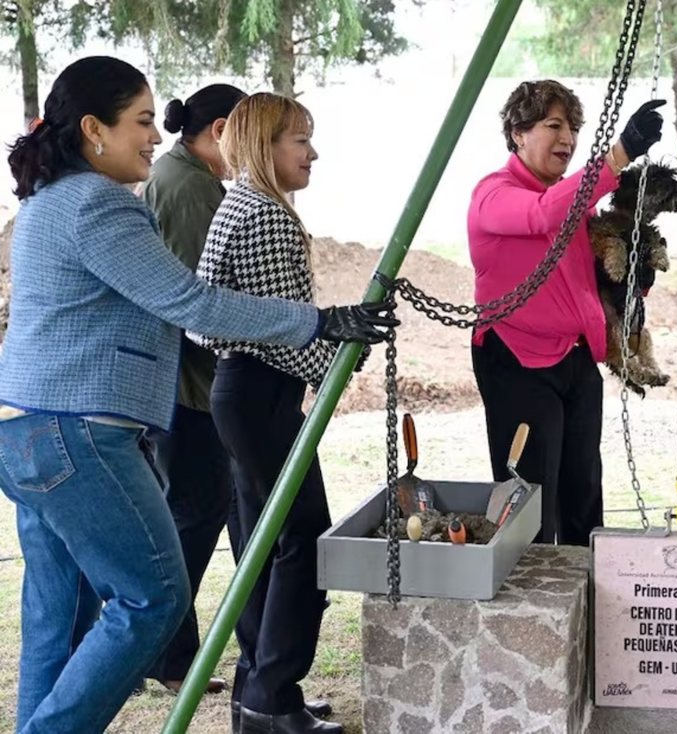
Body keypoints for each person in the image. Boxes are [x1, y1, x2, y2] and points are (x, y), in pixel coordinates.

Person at [0, 56, 396, 734]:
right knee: (152, 602)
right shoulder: (99, 204)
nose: (158, 136)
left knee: (58, 611)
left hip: (25, 429)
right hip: (81, 434)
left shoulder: (46, 201)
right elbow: (190, 301)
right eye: (144, 122)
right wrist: (318, 321)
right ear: (93, 129)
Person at [191, 92, 360, 734]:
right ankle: (272, 695)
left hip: (240, 390)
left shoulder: (240, 204)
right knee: (300, 541)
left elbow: (228, 326)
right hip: (261, 390)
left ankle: (256, 687)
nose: (312, 153)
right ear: (265, 147)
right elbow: (279, 332)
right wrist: (340, 355)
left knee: (262, 544)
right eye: (300, 141)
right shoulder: (267, 216)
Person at [467, 80, 665, 545]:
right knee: (531, 504)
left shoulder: (571, 198)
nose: (568, 139)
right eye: (553, 125)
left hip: (575, 361)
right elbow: (540, 215)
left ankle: (588, 602)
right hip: (517, 360)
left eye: (573, 127)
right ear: (517, 133)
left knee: (583, 495)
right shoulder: (493, 194)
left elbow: (581, 281)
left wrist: (632, 284)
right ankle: (534, 611)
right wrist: (618, 155)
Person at [137, 82, 246, 697]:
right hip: (189, 389)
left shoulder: (192, 178)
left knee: (219, 512)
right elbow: (190, 303)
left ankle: (185, 652)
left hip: (197, 386)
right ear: (224, 129)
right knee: (194, 514)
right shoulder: (187, 187)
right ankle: (168, 654)